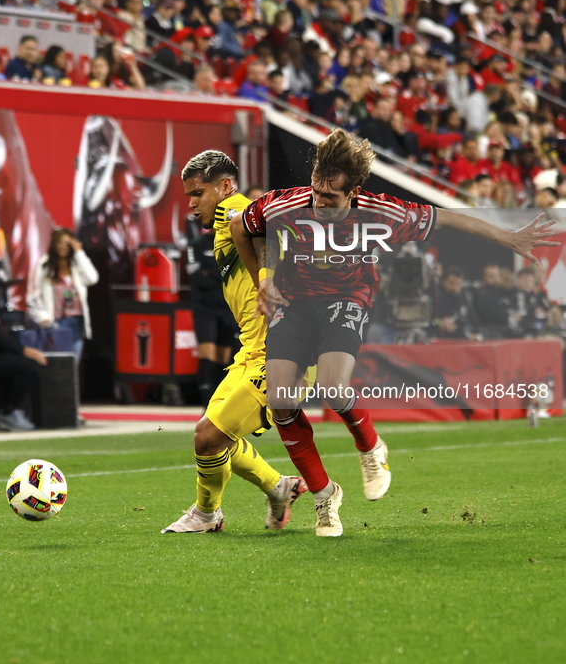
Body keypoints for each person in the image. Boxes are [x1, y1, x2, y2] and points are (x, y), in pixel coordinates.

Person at [232, 128, 558, 537]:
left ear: (355, 191)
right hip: (292, 303)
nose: (318, 199)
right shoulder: (286, 203)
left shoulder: (383, 212)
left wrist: (508, 238)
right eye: (316, 188)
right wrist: (263, 277)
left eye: (330, 195)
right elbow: (242, 227)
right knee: (281, 402)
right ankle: (324, 496)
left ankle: (370, 446)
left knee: (333, 388)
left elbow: (449, 219)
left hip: (346, 297)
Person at [161, 151, 306, 534]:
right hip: (251, 350)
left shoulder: (236, 212)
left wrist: (272, 277)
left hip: (280, 354)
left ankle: (207, 514)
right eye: (189, 195)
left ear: (225, 187)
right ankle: (280, 487)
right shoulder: (225, 225)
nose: (191, 204)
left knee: (208, 437)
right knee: (211, 435)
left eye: (198, 193)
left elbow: (279, 228)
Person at [0, 259, 47, 431]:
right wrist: (22, 350)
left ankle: (5, 410)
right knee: (28, 366)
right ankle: (7, 412)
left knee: (22, 365)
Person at [27, 228, 99, 365]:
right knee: (57, 366)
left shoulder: (76, 265)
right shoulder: (44, 265)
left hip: (77, 322)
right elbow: (33, 295)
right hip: (56, 323)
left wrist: (79, 252)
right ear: (54, 244)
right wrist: (42, 317)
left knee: (73, 365)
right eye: (60, 242)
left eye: (67, 243)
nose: (63, 247)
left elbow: (93, 278)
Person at [186, 228, 237, 407]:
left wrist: (211, 273)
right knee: (207, 354)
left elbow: (235, 275)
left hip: (227, 307)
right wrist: (219, 274)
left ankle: (220, 404)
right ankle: (206, 405)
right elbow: (198, 277)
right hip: (204, 308)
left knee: (224, 358)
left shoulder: (233, 244)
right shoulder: (196, 245)